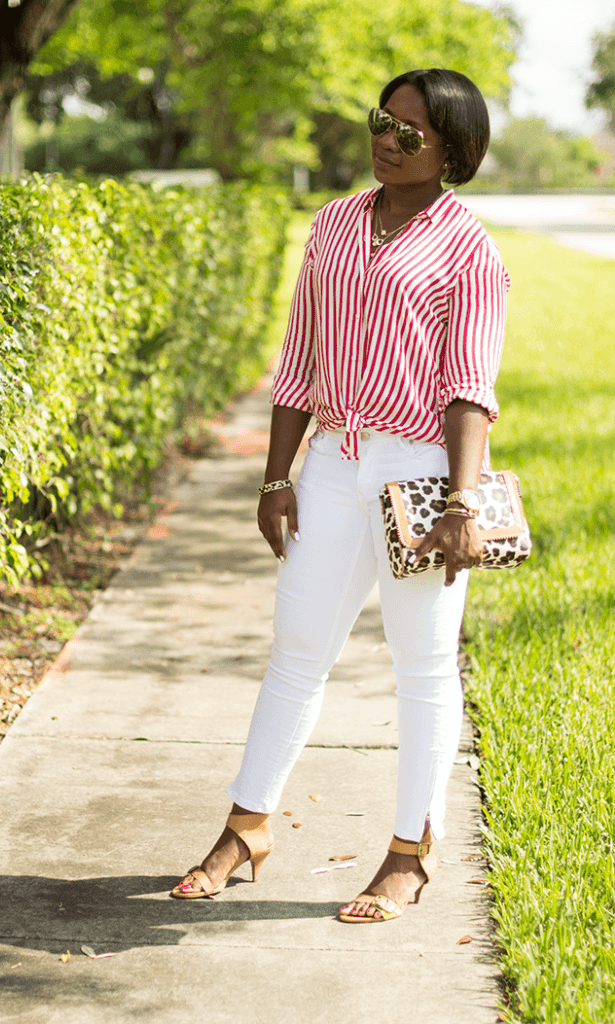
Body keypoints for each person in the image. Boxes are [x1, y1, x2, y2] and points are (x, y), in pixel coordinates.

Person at [171, 68, 509, 922]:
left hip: (423, 477)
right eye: (381, 122)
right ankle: (247, 823)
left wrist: (460, 506)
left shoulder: (468, 248)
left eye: (410, 134)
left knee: (423, 668)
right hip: (330, 463)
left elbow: (469, 386)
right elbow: (296, 364)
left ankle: (409, 852)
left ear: (454, 154)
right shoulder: (332, 225)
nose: (386, 142)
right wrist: (278, 476)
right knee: (295, 652)